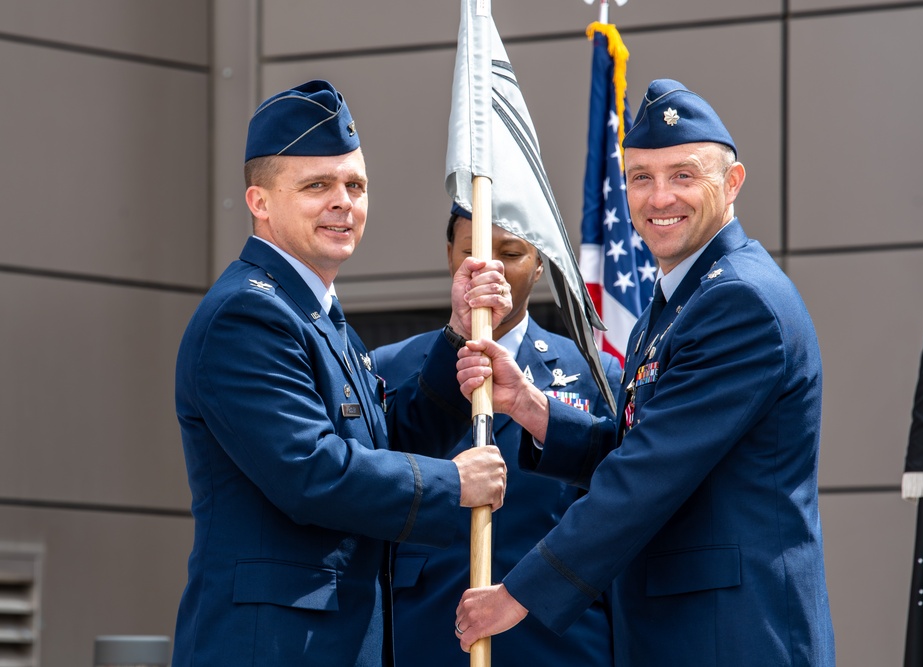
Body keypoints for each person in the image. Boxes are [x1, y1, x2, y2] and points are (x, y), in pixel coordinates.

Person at [452, 79, 836, 666]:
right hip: (683, 632)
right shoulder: (679, 302)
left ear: (732, 183)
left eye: (683, 175)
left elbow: (650, 472)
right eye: (641, 178)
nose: (660, 198)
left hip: (733, 635)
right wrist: (532, 407)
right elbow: (644, 444)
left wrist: (519, 592)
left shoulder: (740, 303)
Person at [172, 80, 511, 667]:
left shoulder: (315, 313)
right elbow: (310, 470)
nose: (343, 202)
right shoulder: (247, 314)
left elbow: (386, 441)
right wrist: (451, 484)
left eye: (355, 185)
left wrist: (457, 334)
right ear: (259, 202)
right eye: (316, 186)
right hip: (272, 647)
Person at [371, 203, 620, 666]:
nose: (492, 269)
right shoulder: (391, 367)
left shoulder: (595, 373)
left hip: (558, 637)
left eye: (511, 252)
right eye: (474, 251)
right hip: (425, 632)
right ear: (451, 256)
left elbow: (619, 501)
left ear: (541, 261)